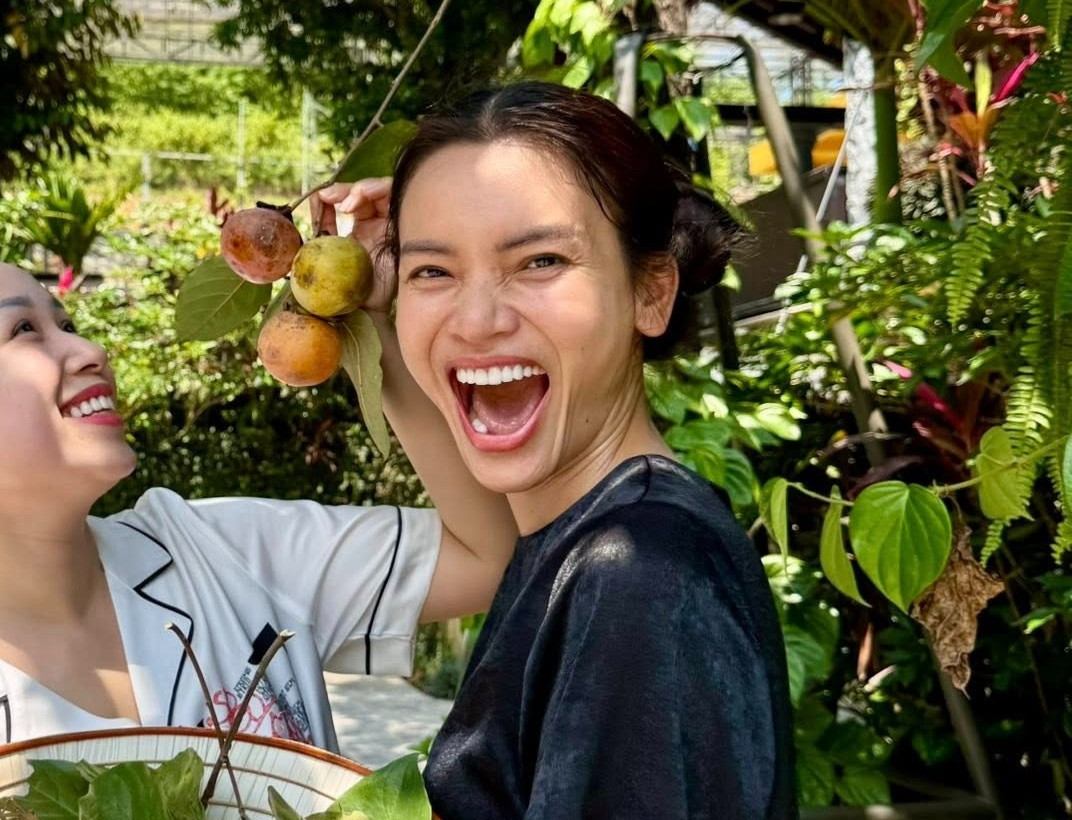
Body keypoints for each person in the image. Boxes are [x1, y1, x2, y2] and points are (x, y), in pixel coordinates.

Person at [0, 251, 518, 820]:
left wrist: (373, 315)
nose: (87, 350)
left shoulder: (225, 551)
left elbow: (490, 555)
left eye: (64, 323)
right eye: (24, 331)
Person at [319, 81, 795, 819]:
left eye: (539, 261)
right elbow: (487, 539)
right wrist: (373, 302)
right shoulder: (581, 538)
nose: (476, 321)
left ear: (650, 293)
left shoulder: (638, 576)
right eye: (433, 271)